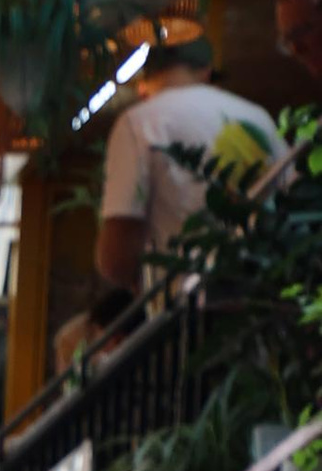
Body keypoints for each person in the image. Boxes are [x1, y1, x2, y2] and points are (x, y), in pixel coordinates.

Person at [95, 52, 283, 299]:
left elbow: (117, 259)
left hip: (187, 307)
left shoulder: (139, 122)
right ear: (205, 70)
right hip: (266, 301)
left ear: (142, 83)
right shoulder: (260, 118)